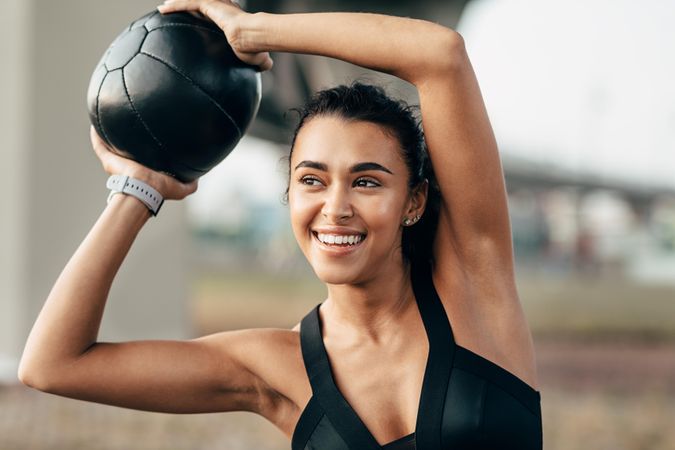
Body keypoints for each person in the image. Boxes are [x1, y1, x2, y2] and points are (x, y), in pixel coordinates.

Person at [19, 1, 542, 449]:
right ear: (290, 196)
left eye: (366, 182)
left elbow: (440, 54)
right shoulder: (279, 366)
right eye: (313, 181)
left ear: (414, 201)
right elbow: (53, 364)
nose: (335, 207)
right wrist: (138, 189)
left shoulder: (475, 289)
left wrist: (254, 31)